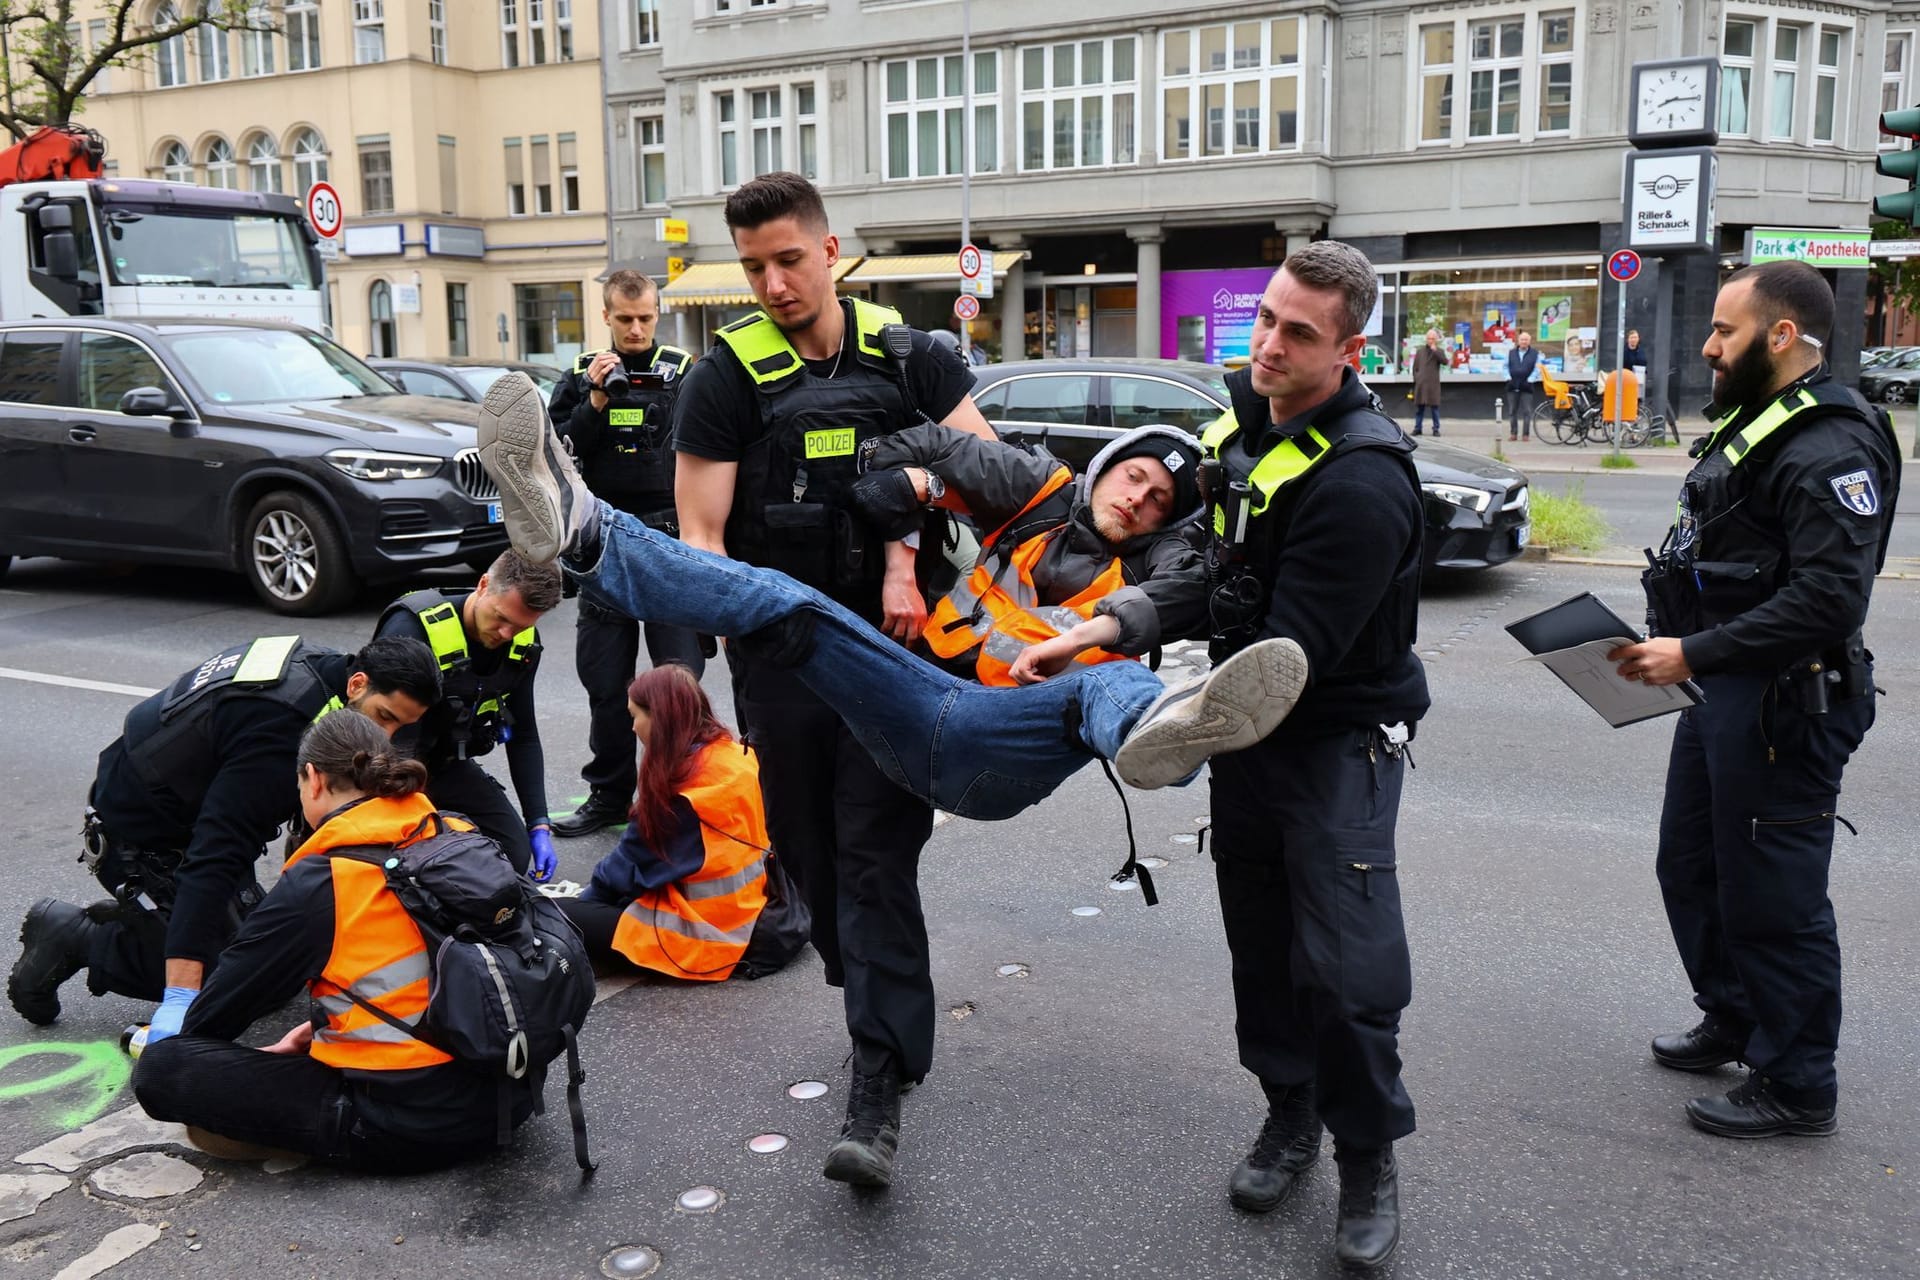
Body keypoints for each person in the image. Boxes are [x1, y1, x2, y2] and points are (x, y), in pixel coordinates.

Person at [669, 170, 1006, 1192]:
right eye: (753, 266)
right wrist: (714, 647)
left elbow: (990, 476)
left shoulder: (914, 355)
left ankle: (878, 1077)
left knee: (871, 857)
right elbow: (701, 533)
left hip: (899, 653)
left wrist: (908, 526)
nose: (773, 282)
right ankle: (871, 991)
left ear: (831, 251)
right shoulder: (724, 375)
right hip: (783, 659)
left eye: (788, 259)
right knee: (810, 860)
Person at [1608, 261, 1899, 1140]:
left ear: (1781, 336)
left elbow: (1828, 599)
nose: (1707, 346)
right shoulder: (1761, 424)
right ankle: (1734, 1013)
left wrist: (1692, 648)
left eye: (1724, 331)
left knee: (1776, 897)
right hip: (1724, 694)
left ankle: (1800, 1081)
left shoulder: (1830, 444)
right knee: (1691, 865)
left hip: (1785, 707)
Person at [1195, 243, 1429, 1270]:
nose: (1271, 344)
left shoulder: (1365, 478)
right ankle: (1289, 1111)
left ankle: (1367, 1152)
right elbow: (1207, 574)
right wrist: (1118, 612)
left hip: (1332, 736)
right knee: (1261, 944)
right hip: (1247, 736)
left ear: (1349, 348)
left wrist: (1161, 721)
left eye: (1299, 332)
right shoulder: (1245, 430)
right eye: (1268, 318)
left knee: (1342, 966)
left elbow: (1283, 655)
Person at [131, 710, 538, 1170]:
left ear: (313, 779)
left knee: (163, 1068)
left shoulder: (323, 880)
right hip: (512, 1090)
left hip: (409, 1122)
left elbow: (213, 1018)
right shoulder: (456, 830)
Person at [8, 636, 441, 1040]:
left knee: (274, 961)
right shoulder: (280, 731)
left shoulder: (326, 676)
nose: (388, 738)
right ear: (358, 683)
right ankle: (76, 937)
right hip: (140, 841)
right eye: (385, 717)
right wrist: (181, 995)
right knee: (231, 981)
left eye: (402, 726)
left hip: (194, 813)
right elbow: (215, 856)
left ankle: (153, 922)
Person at [857, 420, 1209, 688]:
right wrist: (917, 490)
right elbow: (924, 443)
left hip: (1049, 708)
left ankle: (1161, 730)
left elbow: (1194, 587)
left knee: (1127, 690)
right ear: (1107, 464)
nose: (1137, 498)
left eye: (1157, 500)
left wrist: (1077, 640)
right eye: (1133, 476)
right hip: (940, 667)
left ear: (1167, 520)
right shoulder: (1042, 488)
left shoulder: (1161, 550)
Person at [546, 270, 708, 840]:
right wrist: (594, 396)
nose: (636, 329)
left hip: (668, 538)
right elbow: (560, 453)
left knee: (679, 679)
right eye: (624, 319)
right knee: (605, 681)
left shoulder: (687, 372)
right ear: (608, 317)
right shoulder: (579, 375)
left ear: (656, 315)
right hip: (604, 541)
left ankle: (686, 793)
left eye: (645, 318)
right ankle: (609, 797)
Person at [558, 665, 778, 981]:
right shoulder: (735, 756)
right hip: (750, 911)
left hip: (702, 938)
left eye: (636, 716)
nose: (633, 728)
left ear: (659, 720)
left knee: (556, 913)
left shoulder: (681, 798)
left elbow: (620, 874)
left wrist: (577, 915)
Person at [373, 551, 563, 880]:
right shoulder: (413, 627)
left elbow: (525, 734)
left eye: (520, 626)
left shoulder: (522, 644)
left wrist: (539, 824)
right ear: (483, 584)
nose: (506, 634)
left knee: (513, 855)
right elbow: (388, 737)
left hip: (445, 763)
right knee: (402, 863)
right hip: (387, 766)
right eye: (501, 618)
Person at [1506, 329, 1540, 442]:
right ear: (1518, 341)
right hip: (1513, 385)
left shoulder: (1535, 354)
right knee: (1512, 411)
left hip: (1527, 386)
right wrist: (1508, 377)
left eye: (1526, 340)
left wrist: (1531, 379)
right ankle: (1513, 434)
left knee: (1527, 411)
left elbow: (1537, 368)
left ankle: (1526, 435)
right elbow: (1505, 366)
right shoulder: (1511, 353)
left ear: (1529, 341)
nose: (1524, 341)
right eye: (1522, 339)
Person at [1410, 329, 1444, 436]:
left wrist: (1435, 351)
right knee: (1420, 408)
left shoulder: (1439, 351)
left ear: (1436, 340)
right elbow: (1415, 367)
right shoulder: (1420, 352)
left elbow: (1445, 361)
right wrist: (1417, 378)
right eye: (1429, 338)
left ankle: (1436, 429)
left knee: (1434, 408)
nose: (1430, 341)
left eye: (1433, 339)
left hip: (1433, 385)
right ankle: (1418, 428)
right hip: (1421, 384)